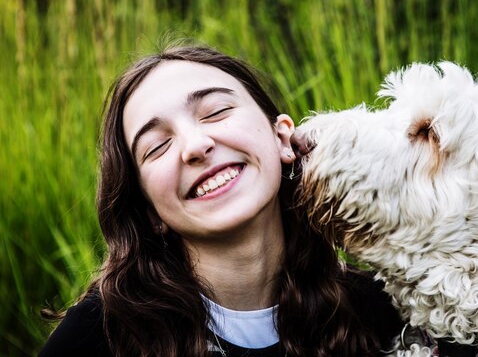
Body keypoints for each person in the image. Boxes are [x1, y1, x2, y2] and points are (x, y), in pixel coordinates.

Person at [39, 44, 403, 357]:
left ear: (282, 138)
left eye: (216, 111)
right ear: (150, 210)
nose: (195, 146)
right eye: (157, 146)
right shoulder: (96, 340)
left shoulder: (385, 313)